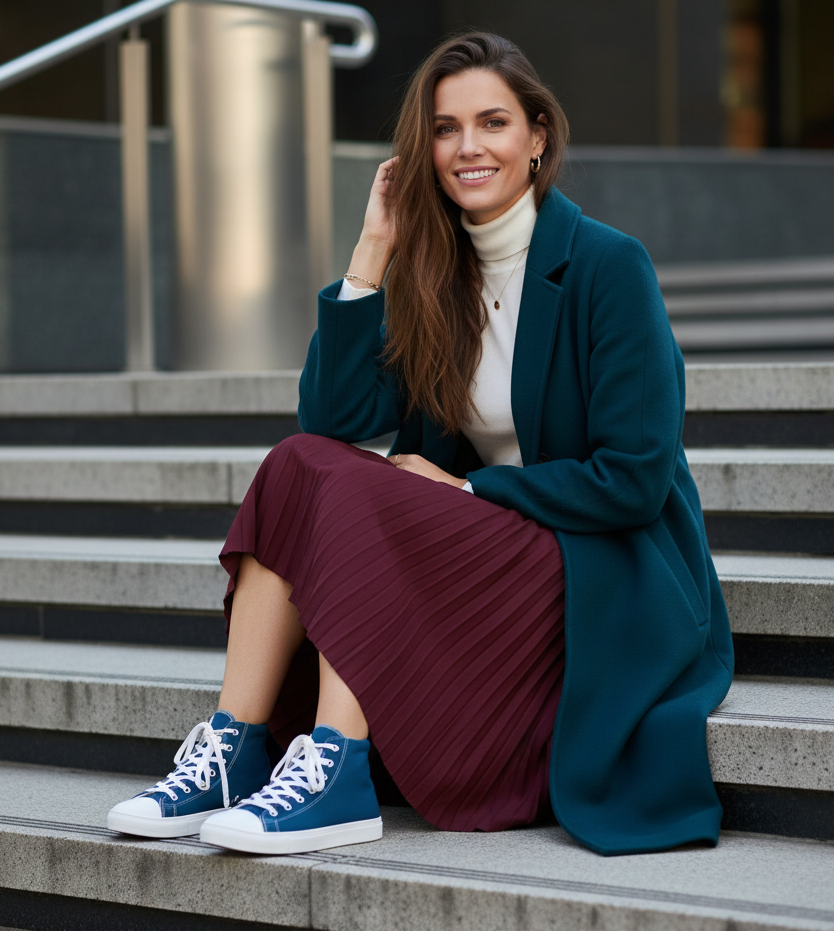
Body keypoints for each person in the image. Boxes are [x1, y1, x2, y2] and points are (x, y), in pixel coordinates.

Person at [107, 32, 733, 857]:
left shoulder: (607, 267)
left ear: (537, 136)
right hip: (481, 548)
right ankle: (235, 745)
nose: (468, 147)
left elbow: (635, 479)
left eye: (493, 123)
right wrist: (373, 254)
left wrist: (470, 492)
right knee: (300, 465)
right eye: (445, 129)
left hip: (596, 560)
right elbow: (328, 423)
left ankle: (336, 766)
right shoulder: (437, 275)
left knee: (375, 495)